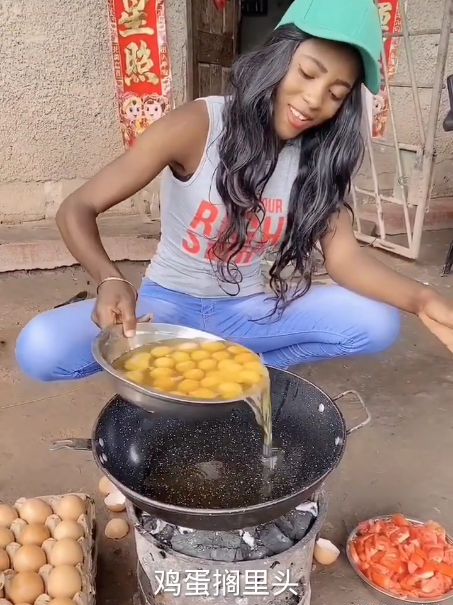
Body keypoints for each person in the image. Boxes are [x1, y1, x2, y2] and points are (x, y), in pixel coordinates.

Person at [16, 0, 453, 382]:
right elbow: (77, 207)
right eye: (306, 73)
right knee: (40, 347)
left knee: (377, 322)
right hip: (164, 309)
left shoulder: (317, 161)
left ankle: (241, 373)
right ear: (279, 58)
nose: (313, 99)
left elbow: (346, 260)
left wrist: (423, 299)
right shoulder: (201, 125)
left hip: (249, 313)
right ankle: (200, 364)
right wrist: (110, 279)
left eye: (335, 94)